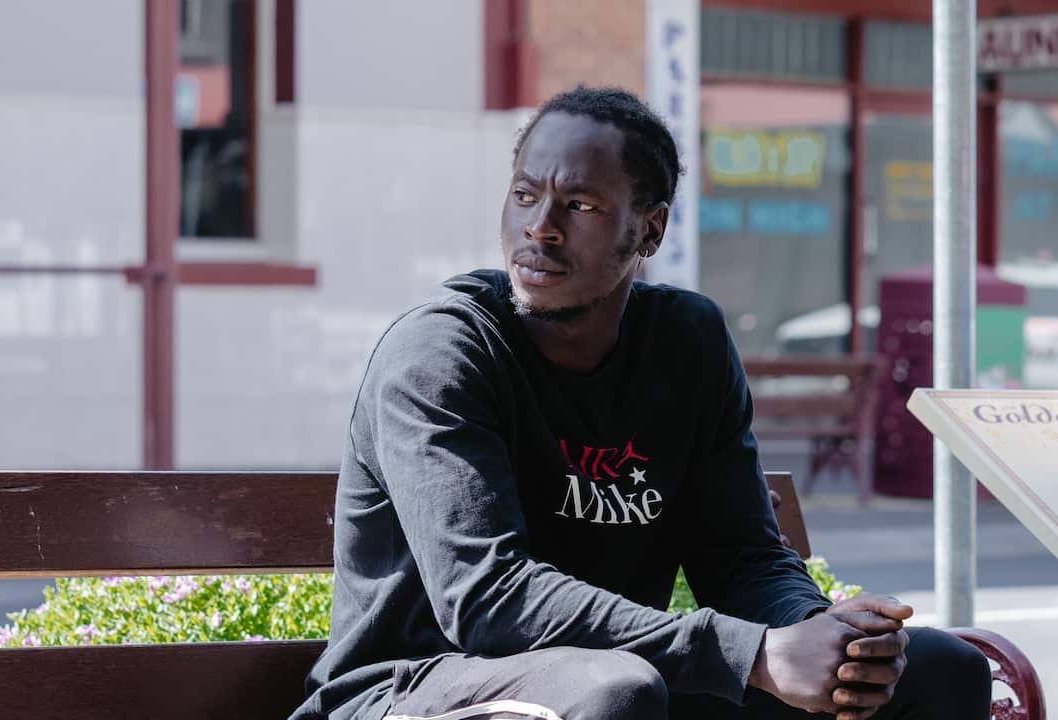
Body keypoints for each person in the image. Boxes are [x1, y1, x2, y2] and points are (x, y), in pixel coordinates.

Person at [290, 86, 990, 720]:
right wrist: (751, 656)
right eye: (526, 194)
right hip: (409, 690)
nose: (542, 228)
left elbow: (740, 555)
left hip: (613, 679)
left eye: (583, 206)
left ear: (648, 232)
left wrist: (817, 638)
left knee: (941, 669)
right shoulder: (441, 352)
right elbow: (486, 598)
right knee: (615, 693)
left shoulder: (687, 344)